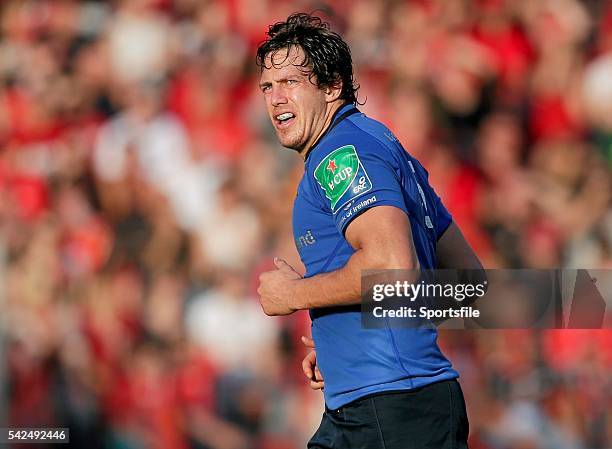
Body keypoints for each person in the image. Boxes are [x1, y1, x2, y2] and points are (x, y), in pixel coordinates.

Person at [256, 13, 482, 449]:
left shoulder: (340, 153)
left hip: (391, 410)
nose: (275, 98)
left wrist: (295, 295)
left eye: (290, 82)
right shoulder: (382, 144)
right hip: (388, 405)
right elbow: (468, 287)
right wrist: (348, 336)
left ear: (331, 86)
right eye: (268, 86)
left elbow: (393, 266)